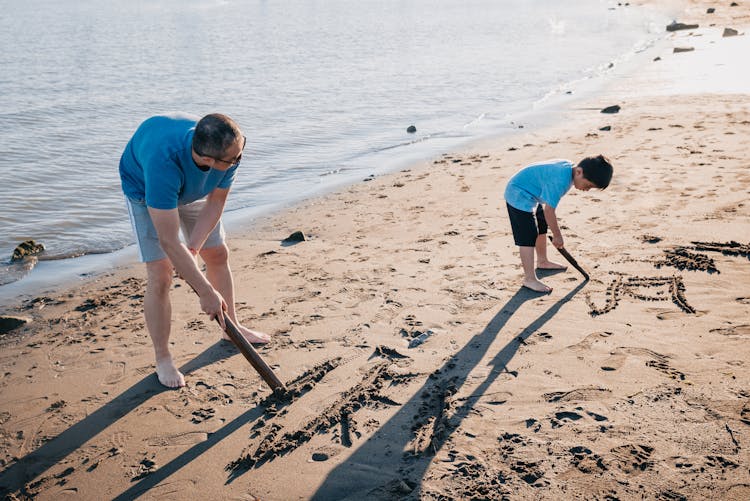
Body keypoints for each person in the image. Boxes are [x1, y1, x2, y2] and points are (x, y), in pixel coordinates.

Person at [119, 112, 270, 388]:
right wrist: (206, 293)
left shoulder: (230, 149)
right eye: (235, 158)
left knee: (217, 254)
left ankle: (231, 328)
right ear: (210, 161)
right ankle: (163, 358)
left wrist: (193, 249)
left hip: (192, 190)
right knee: (161, 273)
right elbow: (167, 239)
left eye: (240, 150)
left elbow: (215, 202)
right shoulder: (163, 163)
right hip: (146, 190)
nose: (240, 159)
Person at [503, 155, 613, 293]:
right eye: (588, 185)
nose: (587, 190)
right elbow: (549, 210)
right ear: (579, 172)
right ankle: (529, 279)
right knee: (528, 237)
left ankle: (542, 261)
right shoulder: (560, 181)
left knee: (541, 226)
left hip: (533, 194)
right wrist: (557, 235)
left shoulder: (570, 170)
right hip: (518, 194)